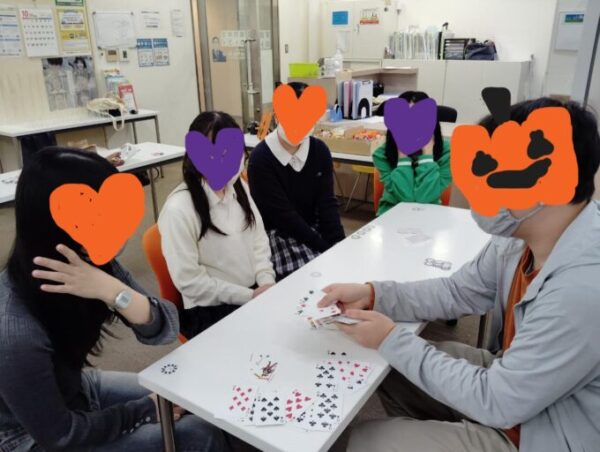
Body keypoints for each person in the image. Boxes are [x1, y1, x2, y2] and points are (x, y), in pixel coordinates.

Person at [318, 98, 600, 452]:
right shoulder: (519, 236)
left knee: (369, 441)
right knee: (387, 365)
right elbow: (457, 291)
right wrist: (375, 294)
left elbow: (499, 400)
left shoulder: (582, 286)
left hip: (547, 431)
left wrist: (391, 339)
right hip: (518, 387)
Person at [0, 148, 229, 451]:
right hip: (29, 437)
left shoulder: (88, 260)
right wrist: (145, 410)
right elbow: (60, 436)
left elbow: (167, 327)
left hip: (78, 388)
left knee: (190, 395)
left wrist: (112, 291)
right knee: (198, 434)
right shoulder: (14, 329)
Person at [158, 112, 275, 338]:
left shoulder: (238, 186)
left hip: (253, 292)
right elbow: (191, 283)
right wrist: (250, 296)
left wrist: (267, 282)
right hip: (211, 307)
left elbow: (259, 240)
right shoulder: (179, 209)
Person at [248, 82, 345, 280]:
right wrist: (324, 248)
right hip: (279, 235)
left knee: (343, 270)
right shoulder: (261, 159)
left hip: (314, 228)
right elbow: (283, 217)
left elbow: (327, 204)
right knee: (312, 279)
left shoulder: (319, 150)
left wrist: (339, 244)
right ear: (277, 115)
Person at [373, 91, 451, 216]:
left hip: (430, 215)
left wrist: (427, 156)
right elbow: (406, 198)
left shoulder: (447, 152)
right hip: (392, 214)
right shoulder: (382, 154)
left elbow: (425, 197)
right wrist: (403, 156)